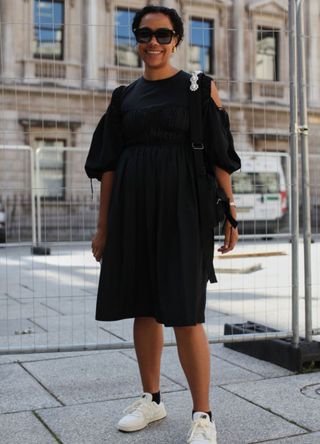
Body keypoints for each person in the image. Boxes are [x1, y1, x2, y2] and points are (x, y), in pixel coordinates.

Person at [85, 5, 241, 444]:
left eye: (163, 34)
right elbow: (109, 166)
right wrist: (104, 228)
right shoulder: (123, 97)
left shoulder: (198, 88)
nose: (153, 42)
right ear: (135, 38)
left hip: (183, 210)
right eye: (144, 34)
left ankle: (203, 414)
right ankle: (152, 399)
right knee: (144, 305)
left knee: (186, 312)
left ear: (176, 39)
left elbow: (219, 153)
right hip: (133, 209)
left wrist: (230, 208)